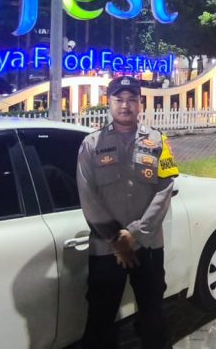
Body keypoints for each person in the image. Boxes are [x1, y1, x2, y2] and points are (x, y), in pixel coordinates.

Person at [77, 76, 179, 349]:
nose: (125, 105)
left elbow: (165, 190)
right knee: (99, 321)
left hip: (148, 246)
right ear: (109, 103)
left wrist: (135, 234)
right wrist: (117, 240)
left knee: (153, 318)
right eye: (119, 99)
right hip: (105, 249)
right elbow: (87, 196)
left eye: (132, 99)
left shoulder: (158, 141)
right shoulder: (91, 144)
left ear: (140, 104)